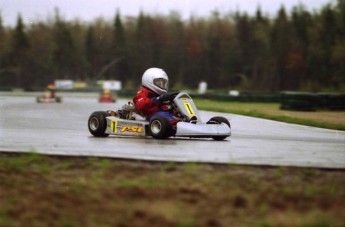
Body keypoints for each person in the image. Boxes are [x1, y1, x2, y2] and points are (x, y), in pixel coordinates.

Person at [133, 67, 177, 135]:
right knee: (167, 118)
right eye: (158, 81)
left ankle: (190, 122)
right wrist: (158, 99)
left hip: (162, 113)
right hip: (153, 114)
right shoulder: (142, 93)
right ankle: (175, 127)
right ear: (149, 81)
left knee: (178, 114)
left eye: (162, 82)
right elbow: (141, 105)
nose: (161, 84)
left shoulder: (158, 94)